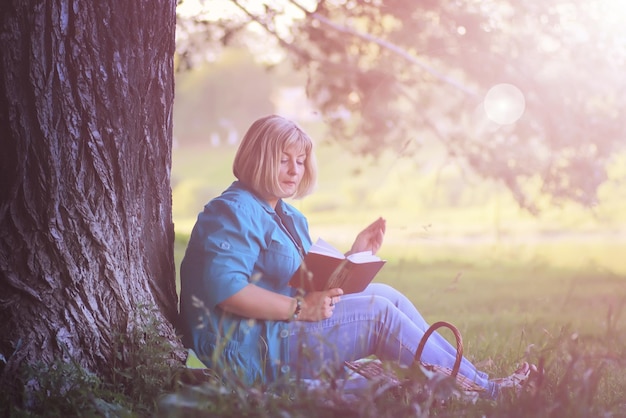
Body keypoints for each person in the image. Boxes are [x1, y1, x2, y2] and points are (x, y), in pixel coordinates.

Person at [178, 114, 533, 398]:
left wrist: (353, 257)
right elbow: (227, 292)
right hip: (257, 350)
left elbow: (304, 282)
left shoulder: (287, 215)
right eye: (283, 160)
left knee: (387, 295)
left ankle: (475, 381)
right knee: (378, 313)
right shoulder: (232, 211)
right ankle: (486, 392)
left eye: (300, 161)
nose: (294, 170)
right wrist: (301, 309)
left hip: (285, 330)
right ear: (258, 158)